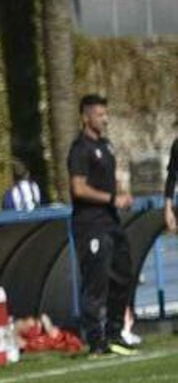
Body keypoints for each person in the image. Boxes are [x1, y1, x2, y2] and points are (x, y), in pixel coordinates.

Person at [67, 95, 137, 356]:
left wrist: (122, 194)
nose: (104, 119)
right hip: (90, 225)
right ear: (86, 117)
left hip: (111, 222)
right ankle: (95, 340)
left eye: (106, 114)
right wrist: (111, 198)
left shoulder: (107, 145)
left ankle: (115, 333)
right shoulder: (80, 149)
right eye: (99, 115)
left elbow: (110, 179)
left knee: (123, 274)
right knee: (96, 281)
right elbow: (78, 188)